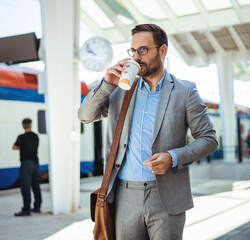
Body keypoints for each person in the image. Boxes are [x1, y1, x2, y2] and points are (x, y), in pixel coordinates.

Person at [78, 24, 218, 239]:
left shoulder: (185, 91)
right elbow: (85, 116)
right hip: (124, 195)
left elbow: (208, 139)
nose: (136, 57)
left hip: (167, 195)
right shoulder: (119, 91)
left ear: (162, 51)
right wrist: (107, 83)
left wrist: (173, 157)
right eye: (133, 51)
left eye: (143, 50)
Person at [13, 118, 42, 217]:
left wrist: (21, 147)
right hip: (35, 164)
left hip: (26, 163)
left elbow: (14, 147)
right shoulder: (36, 136)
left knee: (25, 186)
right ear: (31, 125)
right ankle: (37, 207)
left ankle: (26, 209)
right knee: (35, 185)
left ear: (23, 126)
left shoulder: (21, 137)